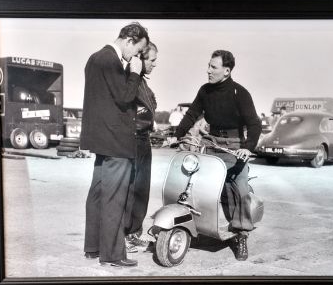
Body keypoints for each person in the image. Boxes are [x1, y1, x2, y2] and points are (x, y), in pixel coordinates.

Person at [169, 50, 261, 261]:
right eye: (208, 66)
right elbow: (192, 113)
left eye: (213, 67)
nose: (208, 70)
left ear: (226, 71)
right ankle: (197, 223)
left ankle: (241, 234)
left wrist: (247, 147)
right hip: (210, 143)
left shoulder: (240, 93)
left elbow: (254, 123)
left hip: (234, 146)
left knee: (241, 189)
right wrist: (177, 135)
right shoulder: (205, 91)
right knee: (192, 182)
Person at [81, 22, 149, 268]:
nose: (137, 56)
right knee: (115, 199)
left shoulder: (94, 58)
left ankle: (93, 247)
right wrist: (134, 72)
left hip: (100, 140)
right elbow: (124, 97)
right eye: (138, 50)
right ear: (130, 40)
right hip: (116, 141)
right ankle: (112, 255)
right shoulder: (112, 60)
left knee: (98, 194)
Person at [124, 42, 158, 252]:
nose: (155, 64)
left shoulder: (144, 84)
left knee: (142, 191)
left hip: (144, 140)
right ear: (141, 58)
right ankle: (126, 235)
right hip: (132, 140)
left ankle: (134, 234)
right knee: (131, 190)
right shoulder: (131, 80)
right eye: (152, 60)